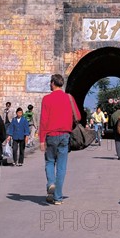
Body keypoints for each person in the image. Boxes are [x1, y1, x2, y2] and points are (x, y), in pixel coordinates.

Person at [39, 74, 80, 205]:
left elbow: (43, 120)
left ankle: (51, 182)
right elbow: (78, 116)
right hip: (65, 136)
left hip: (51, 135)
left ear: (52, 83)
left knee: (50, 161)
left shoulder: (46, 99)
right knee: (61, 167)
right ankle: (58, 198)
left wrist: (41, 139)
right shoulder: (69, 98)